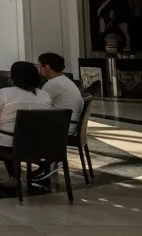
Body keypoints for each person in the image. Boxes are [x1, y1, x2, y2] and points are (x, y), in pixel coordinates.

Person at [0, 60, 53, 185]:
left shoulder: (5, 93)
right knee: (8, 136)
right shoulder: (45, 96)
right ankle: (14, 175)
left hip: (10, 143)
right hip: (37, 144)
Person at [30, 52, 85, 184]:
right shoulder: (64, 81)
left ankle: (42, 164)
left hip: (61, 129)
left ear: (47, 66)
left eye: (40, 66)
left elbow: (35, 103)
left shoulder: (53, 84)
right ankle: (45, 165)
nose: (39, 69)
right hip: (68, 125)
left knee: (19, 130)